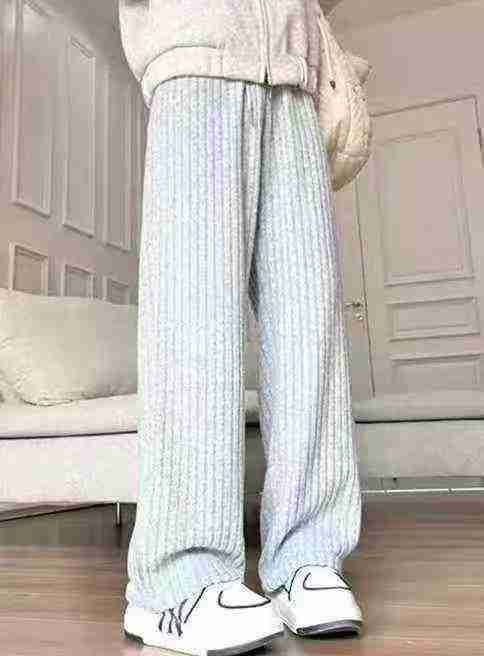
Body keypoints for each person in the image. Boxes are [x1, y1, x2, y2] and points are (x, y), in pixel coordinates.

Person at [118, 1, 363, 653]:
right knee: (194, 314)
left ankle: (307, 556)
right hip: (196, 47)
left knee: (309, 323)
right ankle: (176, 582)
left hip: (294, 73)